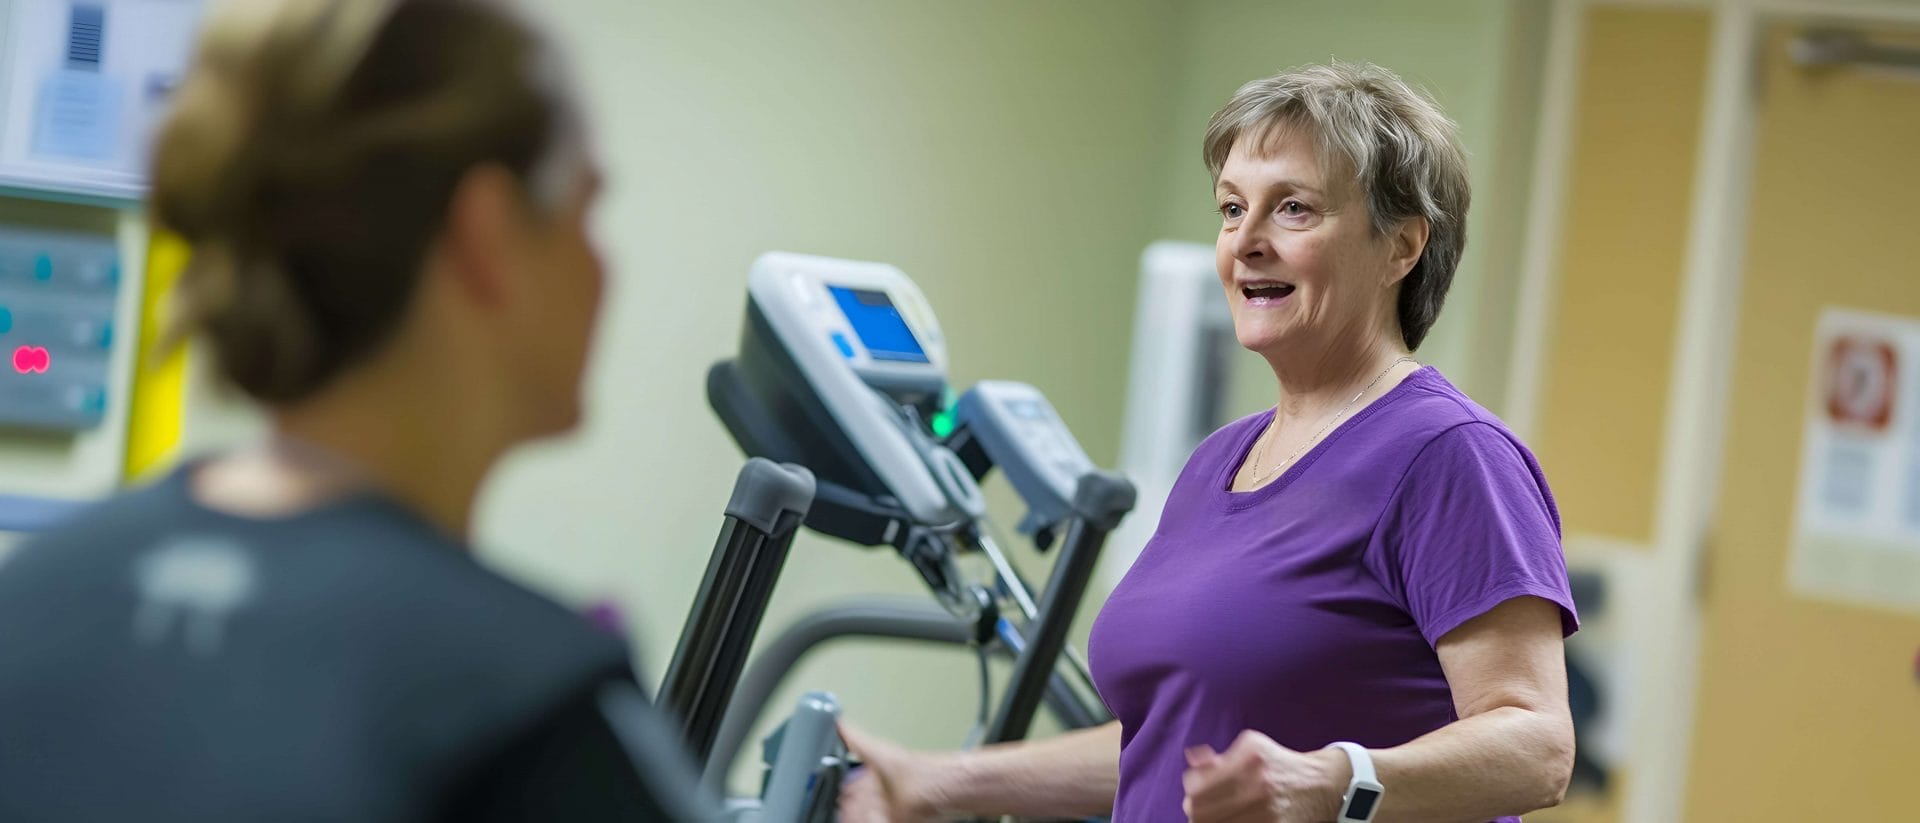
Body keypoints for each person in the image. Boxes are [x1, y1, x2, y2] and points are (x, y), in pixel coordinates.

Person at [0, 1, 716, 820]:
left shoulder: (35, 595)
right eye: (585, 210)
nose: (602, 266)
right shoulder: (526, 701)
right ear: (486, 233)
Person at [838, 61, 1579, 823]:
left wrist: (1333, 782)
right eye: (1231, 209)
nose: (1247, 241)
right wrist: (935, 783)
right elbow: (1171, 736)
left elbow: (1536, 743)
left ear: (1401, 247)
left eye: (1293, 208)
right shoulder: (1219, 462)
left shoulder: (1450, 454)